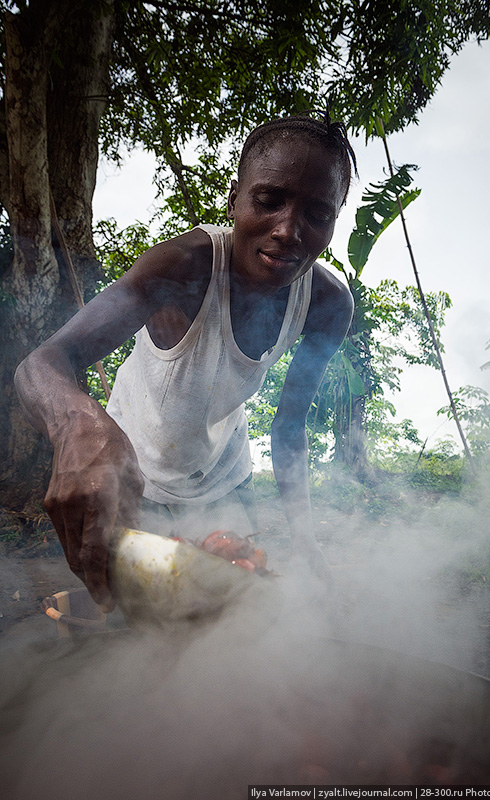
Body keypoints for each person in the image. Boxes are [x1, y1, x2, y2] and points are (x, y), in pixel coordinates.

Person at [14, 111, 356, 611]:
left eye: (318, 214)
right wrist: (78, 426)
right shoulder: (181, 267)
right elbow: (43, 364)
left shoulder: (326, 304)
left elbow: (288, 430)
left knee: (233, 619)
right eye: (269, 200)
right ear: (235, 196)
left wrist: (307, 541)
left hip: (225, 478)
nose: (288, 230)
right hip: (135, 478)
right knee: (138, 624)